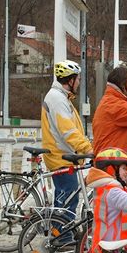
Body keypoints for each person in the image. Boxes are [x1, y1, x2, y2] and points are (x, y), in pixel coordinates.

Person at [41, 60, 93, 224]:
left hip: (64, 154)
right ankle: (61, 237)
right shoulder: (57, 99)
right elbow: (68, 131)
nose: (78, 82)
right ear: (70, 80)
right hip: (60, 156)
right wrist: (87, 148)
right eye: (77, 79)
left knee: (68, 196)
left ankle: (62, 234)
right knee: (67, 198)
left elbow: (73, 128)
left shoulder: (62, 97)